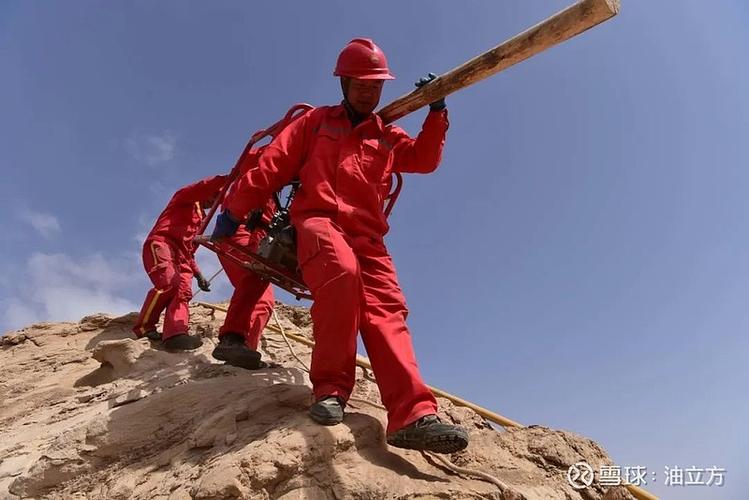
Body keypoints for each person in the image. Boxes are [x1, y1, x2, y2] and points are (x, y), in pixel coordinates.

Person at [211, 39, 468, 454]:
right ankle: (330, 389)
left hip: (370, 238)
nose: (369, 92)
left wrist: (436, 111)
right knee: (341, 276)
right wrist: (233, 211)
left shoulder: (386, 135)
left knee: (388, 312)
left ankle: (412, 415)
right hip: (319, 223)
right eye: (361, 84)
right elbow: (273, 164)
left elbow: (424, 160)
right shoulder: (316, 122)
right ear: (344, 83)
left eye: (376, 85)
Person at [132, 175, 226, 350]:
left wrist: (198, 274)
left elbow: (188, 249)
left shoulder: (201, 219)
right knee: (170, 283)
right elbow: (202, 186)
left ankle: (175, 334)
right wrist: (227, 178)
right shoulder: (185, 198)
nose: (212, 202)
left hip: (183, 257)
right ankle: (144, 327)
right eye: (213, 196)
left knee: (183, 292)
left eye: (216, 201)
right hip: (163, 244)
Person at [212, 198, 276, 369]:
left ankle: (244, 351)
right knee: (256, 282)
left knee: (265, 300)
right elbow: (251, 188)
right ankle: (232, 340)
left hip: (258, 234)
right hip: (242, 230)